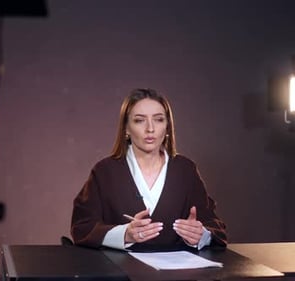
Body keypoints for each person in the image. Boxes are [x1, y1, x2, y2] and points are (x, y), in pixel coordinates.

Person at [70, 88, 227, 252]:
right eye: (139, 120)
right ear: (126, 128)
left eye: (159, 120)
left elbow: (214, 226)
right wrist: (124, 234)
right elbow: (82, 227)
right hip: (121, 272)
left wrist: (200, 235)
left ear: (167, 127)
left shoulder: (185, 170)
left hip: (176, 274)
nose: (150, 128)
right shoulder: (105, 171)